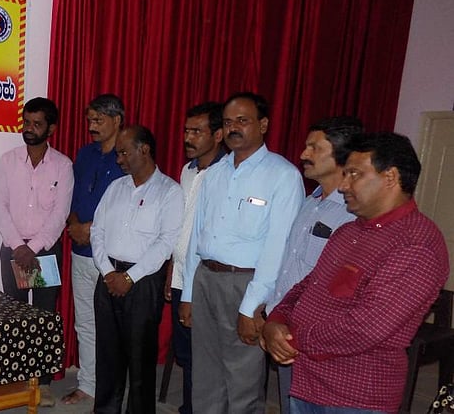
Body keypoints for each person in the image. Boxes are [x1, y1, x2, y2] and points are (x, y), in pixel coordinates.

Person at [263, 132, 449, 413]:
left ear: (390, 177)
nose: (343, 186)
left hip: (355, 395)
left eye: (354, 174)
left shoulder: (416, 244)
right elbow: (307, 286)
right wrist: (276, 319)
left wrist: (292, 337)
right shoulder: (349, 230)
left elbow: (366, 327)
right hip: (306, 380)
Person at [179, 92, 304, 413]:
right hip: (206, 278)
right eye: (228, 122)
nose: (234, 128)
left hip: (245, 285)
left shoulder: (283, 176)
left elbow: (279, 247)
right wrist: (189, 292)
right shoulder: (216, 173)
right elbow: (198, 236)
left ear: (263, 125)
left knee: (242, 380)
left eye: (243, 121)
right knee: (205, 374)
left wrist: (252, 307)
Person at [263, 116, 363, 413]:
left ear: (343, 155)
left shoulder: (353, 213)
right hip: (285, 330)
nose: (304, 154)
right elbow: (288, 267)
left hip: (321, 340)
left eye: (314, 148)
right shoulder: (309, 202)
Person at [90, 125, 183, 413]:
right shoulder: (115, 188)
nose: (119, 159)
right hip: (107, 279)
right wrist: (107, 272)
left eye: (123, 152)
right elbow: (97, 232)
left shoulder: (170, 191)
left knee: (140, 358)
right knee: (107, 354)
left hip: (143, 283)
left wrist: (130, 277)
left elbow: (166, 242)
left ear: (144, 150)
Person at [0, 96, 74, 407]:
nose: (29, 129)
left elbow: (60, 214)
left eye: (37, 124)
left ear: (51, 128)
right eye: (26, 122)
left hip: (43, 254)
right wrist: (18, 246)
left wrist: (34, 249)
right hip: (14, 248)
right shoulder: (9, 161)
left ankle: (43, 382)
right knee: (14, 315)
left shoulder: (62, 166)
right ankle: (15, 378)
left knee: (41, 317)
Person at [62, 93, 125, 405]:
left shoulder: (128, 156)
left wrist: (93, 231)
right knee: (84, 322)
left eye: (98, 120)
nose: (91, 126)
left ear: (117, 120)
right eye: (89, 120)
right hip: (80, 252)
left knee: (111, 325)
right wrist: (74, 224)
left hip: (112, 260)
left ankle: (112, 387)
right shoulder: (86, 154)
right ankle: (88, 383)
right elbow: (74, 196)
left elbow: (131, 210)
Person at [164, 101, 225, 414]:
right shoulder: (187, 171)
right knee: (186, 352)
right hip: (180, 275)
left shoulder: (227, 175)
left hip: (207, 279)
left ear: (218, 134)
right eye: (186, 131)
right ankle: (189, 406)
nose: (188, 137)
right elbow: (181, 226)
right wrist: (171, 271)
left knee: (205, 355)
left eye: (196, 132)